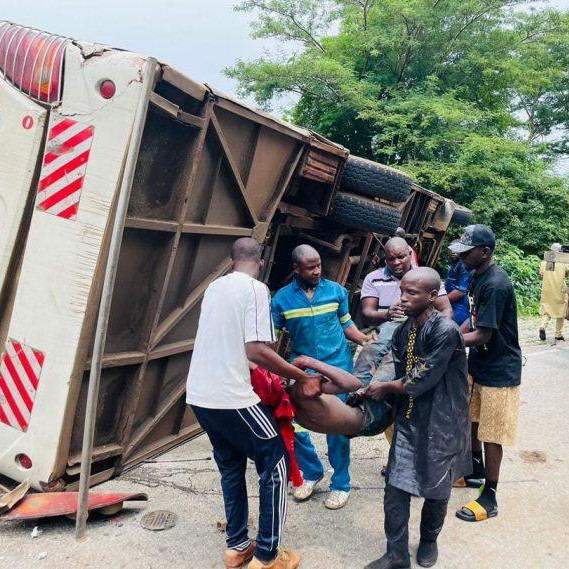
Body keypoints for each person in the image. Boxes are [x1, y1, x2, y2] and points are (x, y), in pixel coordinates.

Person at [187, 237, 322, 569]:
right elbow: (257, 351)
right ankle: (268, 556)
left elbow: (228, 343)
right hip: (232, 397)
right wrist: (301, 377)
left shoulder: (214, 289)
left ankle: (236, 548)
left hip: (200, 396)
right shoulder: (256, 290)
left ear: (231, 262)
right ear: (260, 264)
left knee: (231, 466)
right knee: (275, 467)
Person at [360, 267, 471, 569]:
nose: (403, 298)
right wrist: (365, 389)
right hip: (411, 416)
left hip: (444, 420)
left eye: (412, 292)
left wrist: (382, 388)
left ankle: (429, 539)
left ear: (433, 297)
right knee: (396, 486)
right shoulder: (403, 330)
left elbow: (417, 380)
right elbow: (396, 371)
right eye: (402, 291)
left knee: (436, 489)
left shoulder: (445, 331)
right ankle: (397, 555)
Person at [271, 244, 371, 510]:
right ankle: (312, 472)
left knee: (338, 429)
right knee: (295, 426)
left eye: (319, 266)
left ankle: (341, 484)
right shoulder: (281, 300)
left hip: (338, 369)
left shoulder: (336, 292)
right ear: (296, 269)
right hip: (302, 373)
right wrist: (274, 369)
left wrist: (364, 339)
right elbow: (274, 339)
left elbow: (347, 324)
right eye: (310, 267)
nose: (317, 271)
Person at [449, 225, 522, 523]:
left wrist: (448, 342)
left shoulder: (496, 283)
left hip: (500, 370)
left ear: (486, 252)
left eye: (468, 252)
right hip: (479, 364)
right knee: (470, 418)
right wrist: (452, 331)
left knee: (492, 433)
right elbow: (471, 319)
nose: (461, 256)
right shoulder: (477, 276)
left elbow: (483, 333)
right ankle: (474, 469)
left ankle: (490, 496)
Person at [354, 237, 452, 391]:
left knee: (392, 364)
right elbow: (367, 313)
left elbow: (446, 310)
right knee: (369, 354)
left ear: (410, 254)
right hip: (385, 329)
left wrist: (432, 335)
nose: (397, 262)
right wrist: (387, 314)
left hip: (416, 330)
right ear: (385, 259)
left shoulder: (425, 278)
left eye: (401, 257)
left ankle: (369, 393)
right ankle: (356, 394)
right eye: (391, 259)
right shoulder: (374, 278)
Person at [538, 243, 568, 342]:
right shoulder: (563, 261)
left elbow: (541, 275)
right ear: (559, 251)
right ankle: (558, 334)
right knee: (561, 310)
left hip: (547, 289)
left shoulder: (545, 261)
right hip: (560, 289)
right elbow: (567, 273)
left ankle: (542, 326)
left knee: (547, 309)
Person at [445, 247, 471, 326]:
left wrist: (441, 301)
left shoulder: (464, 265)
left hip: (459, 306)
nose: (453, 252)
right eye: (451, 250)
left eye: (456, 250)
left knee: (451, 329)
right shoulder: (454, 264)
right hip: (451, 303)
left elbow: (460, 292)